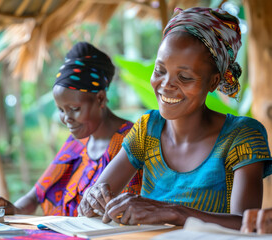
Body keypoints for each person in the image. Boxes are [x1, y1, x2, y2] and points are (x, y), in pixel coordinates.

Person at [78, 7, 272, 230]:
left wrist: (172, 212)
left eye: (185, 77)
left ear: (213, 82)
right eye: (160, 70)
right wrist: (94, 198)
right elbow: (100, 192)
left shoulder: (241, 135)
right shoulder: (147, 129)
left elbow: (246, 224)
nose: (166, 85)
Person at [0, 42, 142, 216]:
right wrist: (14, 209)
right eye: (61, 109)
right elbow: (36, 195)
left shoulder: (132, 140)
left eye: (74, 109)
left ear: (100, 98)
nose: (67, 119)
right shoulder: (77, 142)